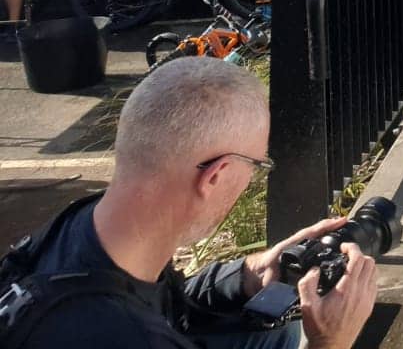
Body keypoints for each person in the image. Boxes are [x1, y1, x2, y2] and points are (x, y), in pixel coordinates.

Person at [5, 57, 376, 349]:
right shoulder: (123, 335)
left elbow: (163, 303)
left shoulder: (90, 226)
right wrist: (331, 341)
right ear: (215, 175)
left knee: (275, 332)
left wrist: (249, 274)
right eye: (256, 166)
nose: (252, 180)